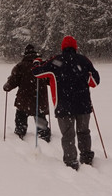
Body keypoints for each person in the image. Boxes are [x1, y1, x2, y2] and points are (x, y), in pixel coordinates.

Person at [33, 35, 100, 170]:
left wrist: (37, 63)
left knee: (68, 135)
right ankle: (86, 157)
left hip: (63, 106)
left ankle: (71, 161)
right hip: (83, 105)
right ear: (75, 47)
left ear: (62, 47)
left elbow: (37, 73)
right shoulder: (83, 60)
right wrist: (84, 75)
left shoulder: (56, 61)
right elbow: (95, 81)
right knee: (84, 132)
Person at [2, 44, 51, 141]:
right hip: (40, 98)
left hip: (24, 98)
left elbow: (13, 80)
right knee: (40, 115)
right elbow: (50, 80)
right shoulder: (42, 66)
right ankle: (43, 133)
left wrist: (7, 86)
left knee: (21, 115)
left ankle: (20, 130)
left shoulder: (20, 66)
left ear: (25, 54)